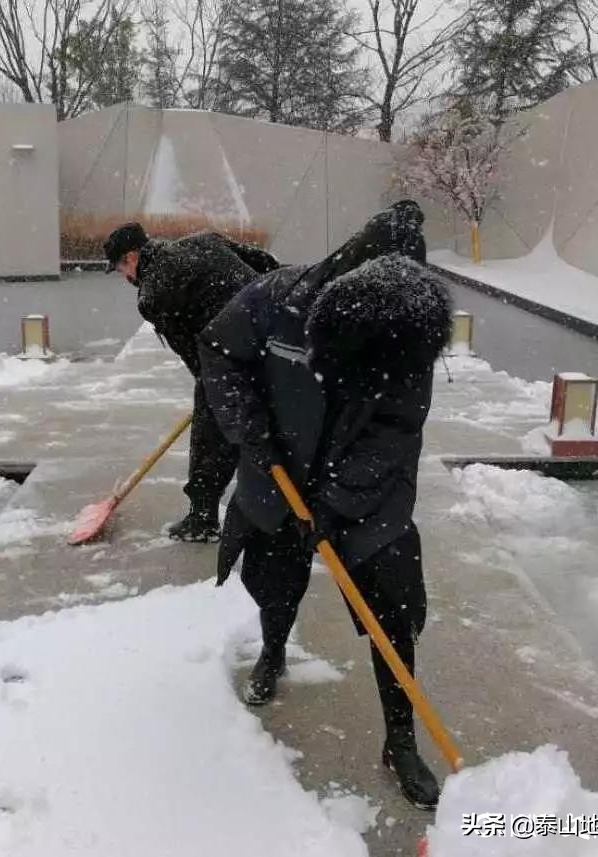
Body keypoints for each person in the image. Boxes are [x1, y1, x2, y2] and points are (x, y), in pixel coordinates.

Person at [196, 218, 451, 809]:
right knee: (273, 578)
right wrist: (249, 432)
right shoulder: (280, 297)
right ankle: (273, 649)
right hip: (278, 466)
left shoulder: (409, 330)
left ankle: (400, 739)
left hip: (363, 490)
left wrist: (335, 504)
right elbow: (220, 350)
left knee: (393, 604)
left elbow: (395, 431)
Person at [104, 222, 280, 542]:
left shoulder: (153, 293)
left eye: (119, 268)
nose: (123, 277)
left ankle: (202, 519)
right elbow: (266, 263)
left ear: (131, 257)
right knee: (282, 427)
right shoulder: (203, 240)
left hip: (236, 349)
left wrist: (210, 390)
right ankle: (300, 507)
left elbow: (194, 352)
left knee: (210, 434)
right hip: (278, 333)